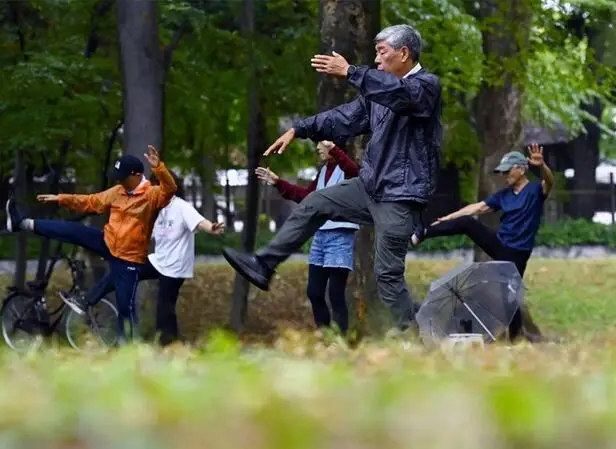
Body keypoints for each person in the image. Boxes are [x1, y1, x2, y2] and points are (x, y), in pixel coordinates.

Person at [222, 24, 443, 333]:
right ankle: (264, 265)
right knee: (316, 202)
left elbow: (400, 95)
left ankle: (410, 334)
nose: (376, 60)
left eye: (382, 53)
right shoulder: (377, 96)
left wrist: (351, 71)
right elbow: (343, 117)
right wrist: (299, 129)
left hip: (400, 196)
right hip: (370, 188)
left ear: (404, 53)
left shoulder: (426, 87)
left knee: (387, 273)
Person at [5, 145, 177, 342]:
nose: (120, 181)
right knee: (72, 230)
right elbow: (90, 201)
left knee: (125, 307)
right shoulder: (117, 192)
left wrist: (159, 167)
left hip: (128, 257)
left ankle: (127, 347)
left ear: (136, 175)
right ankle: (23, 223)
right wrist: (61, 199)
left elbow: (170, 189)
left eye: (123, 177)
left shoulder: (152, 195)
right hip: (107, 241)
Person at [62, 171, 226, 346]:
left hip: (175, 268)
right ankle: (86, 301)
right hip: (158, 261)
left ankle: (169, 345)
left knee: (165, 306)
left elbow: (199, 222)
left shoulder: (181, 207)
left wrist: (212, 227)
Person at [410, 144, 554, 341]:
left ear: (521, 169)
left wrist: (542, 165)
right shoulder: (503, 195)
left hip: (519, 253)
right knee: (467, 222)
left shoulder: (535, 191)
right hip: (500, 245)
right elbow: (477, 208)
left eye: (508, 171)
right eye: (502, 172)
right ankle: (423, 232)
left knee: (510, 296)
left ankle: (516, 338)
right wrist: (448, 218)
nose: (504, 176)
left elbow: (549, 182)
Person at [257, 140, 359, 335]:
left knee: (335, 293)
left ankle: (340, 340)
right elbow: (307, 197)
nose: (318, 148)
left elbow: (354, 172)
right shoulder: (323, 172)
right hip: (320, 235)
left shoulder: (346, 168)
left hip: (340, 235)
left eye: (321, 144)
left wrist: (335, 150)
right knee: (314, 292)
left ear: (332, 144)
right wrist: (278, 182)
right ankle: (325, 336)